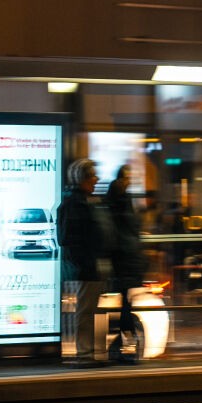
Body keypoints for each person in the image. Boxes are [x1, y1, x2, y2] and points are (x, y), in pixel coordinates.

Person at [58, 157, 113, 367]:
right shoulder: (75, 204)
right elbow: (70, 239)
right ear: (81, 179)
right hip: (86, 266)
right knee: (85, 311)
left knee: (88, 310)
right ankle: (84, 353)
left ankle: (88, 352)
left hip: (89, 265)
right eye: (92, 176)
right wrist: (86, 260)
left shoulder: (82, 202)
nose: (96, 179)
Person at [104, 164, 147, 363]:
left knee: (125, 304)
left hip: (125, 260)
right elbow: (128, 231)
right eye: (126, 178)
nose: (128, 181)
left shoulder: (121, 201)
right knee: (125, 305)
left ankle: (123, 344)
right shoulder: (120, 202)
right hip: (124, 260)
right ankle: (123, 344)